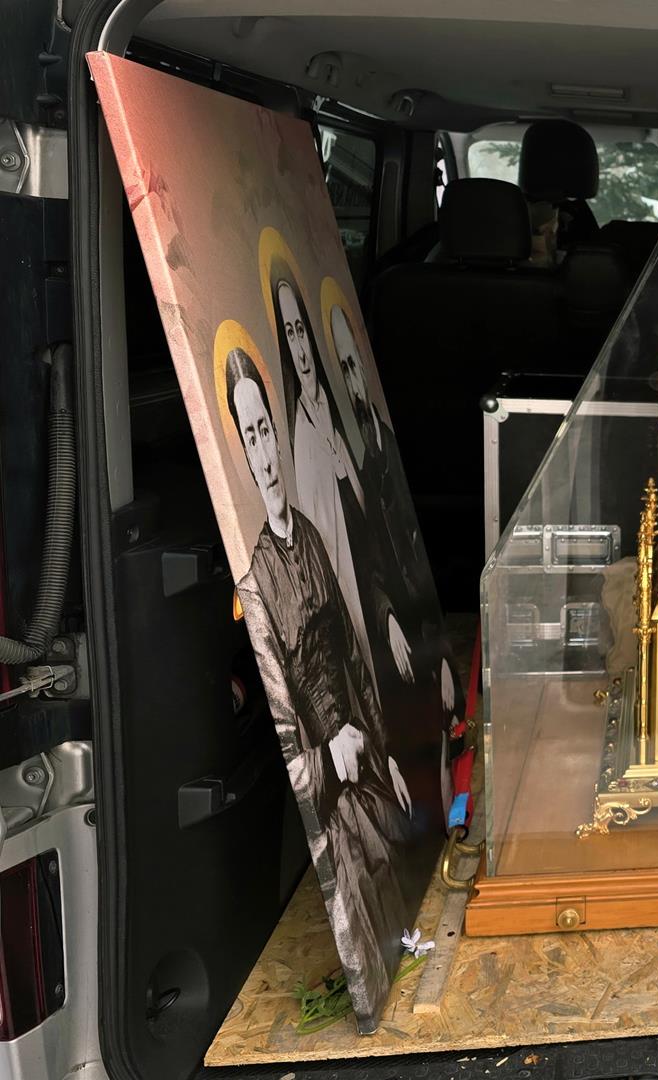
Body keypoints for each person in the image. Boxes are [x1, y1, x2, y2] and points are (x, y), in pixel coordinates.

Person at [223, 347, 414, 1024]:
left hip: (365, 754)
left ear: (277, 434)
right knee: (370, 892)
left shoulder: (307, 533)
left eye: (265, 431)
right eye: (249, 438)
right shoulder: (255, 583)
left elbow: (355, 661)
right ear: (243, 452)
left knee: (406, 849)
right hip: (331, 794)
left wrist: (387, 751)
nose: (264, 453)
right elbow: (287, 739)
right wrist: (333, 753)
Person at [329, 302, 458, 718]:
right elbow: (370, 566)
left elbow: (417, 565)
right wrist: (386, 617)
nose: (353, 381)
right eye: (343, 370)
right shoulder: (364, 467)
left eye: (354, 365)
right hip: (406, 644)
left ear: (366, 370)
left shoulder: (393, 452)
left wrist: (440, 653)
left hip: (429, 634)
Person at [270, 266, 369, 655]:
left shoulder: (337, 406)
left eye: (301, 329)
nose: (300, 347)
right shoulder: (305, 441)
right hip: (353, 617)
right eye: (289, 333)